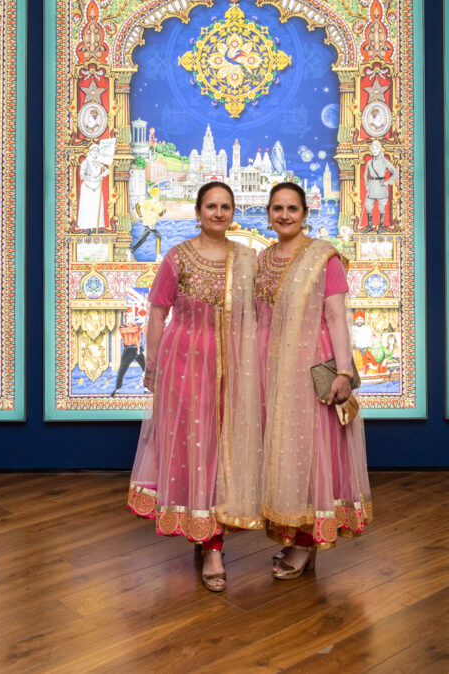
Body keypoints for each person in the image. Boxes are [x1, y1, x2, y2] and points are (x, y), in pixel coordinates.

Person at [128, 182, 263, 592]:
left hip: (234, 366)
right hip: (184, 364)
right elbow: (156, 313)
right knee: (194, 445)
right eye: (211, 206)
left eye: (225, 207)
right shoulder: (177, 257)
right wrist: (152, 366)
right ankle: (208, 541)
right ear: (198, 210)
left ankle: (211, 535)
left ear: (233, 211)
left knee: (223, 446)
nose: (218, 213)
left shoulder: (247, 259)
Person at [255, 182, 372, 579]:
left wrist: (343, 371)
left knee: (311, 453)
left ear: (305, 213)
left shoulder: (324, 258)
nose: (284, 215)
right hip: (273, 369)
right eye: (277, 209)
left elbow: (337, 316)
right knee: (287, 452)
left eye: (292, 208)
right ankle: (295, 533)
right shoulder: (263, 258)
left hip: (310, 367)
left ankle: (306, 545)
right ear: (268, 214)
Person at [361, 140, 398, 233]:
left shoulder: (385, 162)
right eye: (373, 148)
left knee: (381, 207)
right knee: (368, 206)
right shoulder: (369, 162)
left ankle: (380, 226)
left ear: (380, 149)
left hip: (381, 187)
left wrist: (388, 182)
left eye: (376, 148)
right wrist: (367, 185)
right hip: (372, 186)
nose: (374, 150)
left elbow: (395, 173)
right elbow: (365, 175)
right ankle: (370, 226)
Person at [109, 313, 145, 396]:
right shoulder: (123, 327)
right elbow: (129, 330)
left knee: (146, 368)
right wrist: (139, 328)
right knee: (121, 370)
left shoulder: (136, 326)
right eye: (129, 317)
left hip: (138, 349)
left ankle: (147, 388)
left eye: (132, 317)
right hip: (128, 350)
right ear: (126, 319)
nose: (131, 319)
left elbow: (141, 330)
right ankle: (117, 389)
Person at [77, 144, 109, 231]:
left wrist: (102, 174)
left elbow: (107, 170)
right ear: (90, 152)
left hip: (97, 187)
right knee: (88, 207)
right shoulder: (86, 162)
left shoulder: (99, 162)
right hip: (88, 188)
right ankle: (87, 227)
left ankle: (96, 226)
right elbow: (82, 176)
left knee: (96, 207)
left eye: (97, 151)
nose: (95, 153)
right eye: (93, 151)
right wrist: (94, 179)